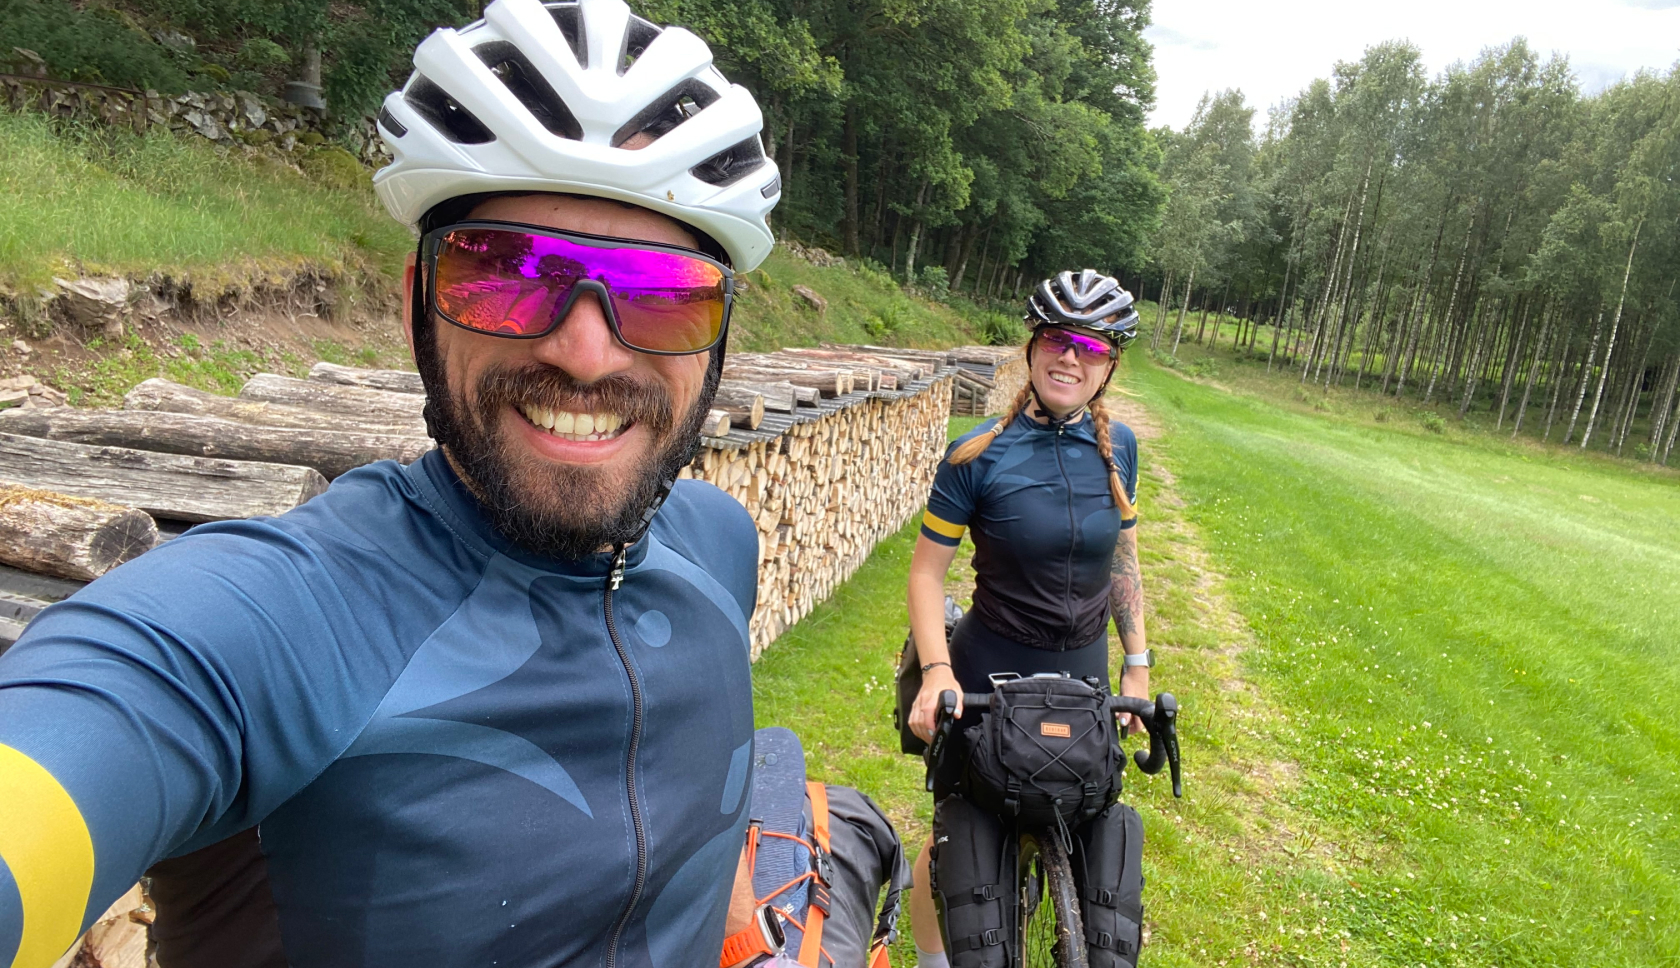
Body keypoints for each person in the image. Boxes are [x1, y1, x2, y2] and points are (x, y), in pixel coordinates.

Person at [0, 0, 782, 965]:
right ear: (417, 305)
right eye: (506, 272)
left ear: (719, 343)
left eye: (665, 296)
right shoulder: (275, 623)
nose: (585, 353)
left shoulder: (720, 541)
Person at [901, 270, 1153, 967]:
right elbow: (926, 573)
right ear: (1033, 346)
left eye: (1092, 346)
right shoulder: (977, 454)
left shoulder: (1118, 448)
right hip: (988, 670)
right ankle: (932, 961)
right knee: (957, 837)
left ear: (1109, 364)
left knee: (1084, 822)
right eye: (1057, 338)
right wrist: (936, 672)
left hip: (1082, 674)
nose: (1071, 357)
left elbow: (1123, 558)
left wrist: (1137, 658)